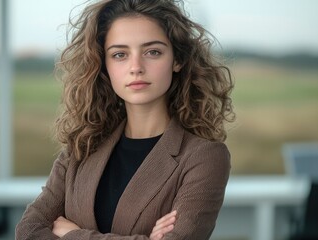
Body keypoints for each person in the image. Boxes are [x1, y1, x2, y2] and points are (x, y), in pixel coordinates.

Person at [16, 0, 234, 239]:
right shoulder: (81, 147)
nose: (136, 67)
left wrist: (73, 234)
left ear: (177, 60)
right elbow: (28, 231)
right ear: (104, 64)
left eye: (153, 52)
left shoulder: (204, 157)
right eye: (120, 54)